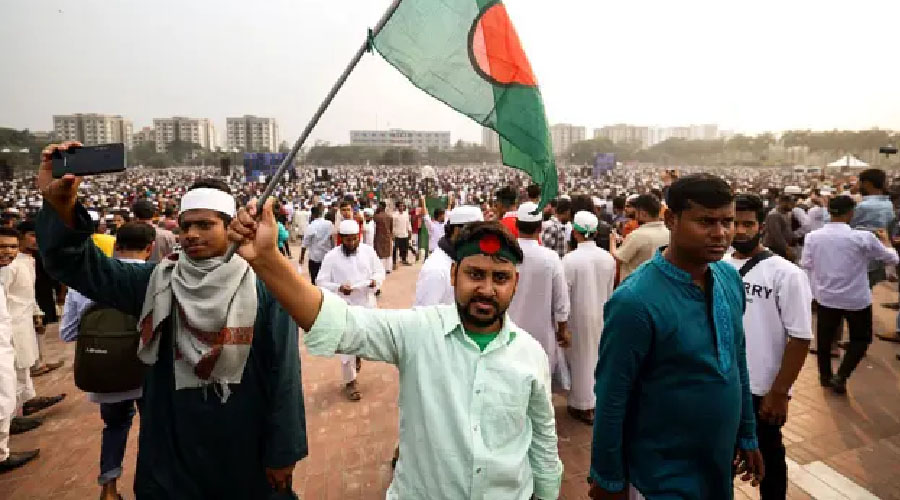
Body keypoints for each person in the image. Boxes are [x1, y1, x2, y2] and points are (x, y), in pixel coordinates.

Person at [227, 206, 564, 500]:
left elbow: (543, 442)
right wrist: (267, 259)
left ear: (515, 283)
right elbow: (336, 322)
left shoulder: (531, 354)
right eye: (475, 274)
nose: (486, 289)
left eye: (500, 278)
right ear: (454, 274)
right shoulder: (418, 332)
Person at [36, 142, 307, 499]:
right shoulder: (155, 282)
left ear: (231, 228)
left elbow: (284, 371)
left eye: (205, 225)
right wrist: (61, 205)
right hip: (172, 446)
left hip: (244, 440)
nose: (192, 234)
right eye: (186, 226)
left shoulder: (265, 286)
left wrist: (283, 451)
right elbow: (77, 266)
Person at [589, 174, 762, 500]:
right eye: (705, 222)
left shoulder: (728, 277)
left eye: (727, 221)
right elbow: (612, 395)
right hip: (659, 475)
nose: (721, 233)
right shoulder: (635, 301)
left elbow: (737, 359)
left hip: (717, 465)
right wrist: (607, 478)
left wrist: (748, 433)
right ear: (671, 219)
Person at [59, 222, 156, 500]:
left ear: (115, 246)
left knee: (115, 426)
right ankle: (152, 486)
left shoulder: (86, 280)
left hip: (107, 374)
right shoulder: (158, 277)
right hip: (148, 371)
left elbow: (67, 333)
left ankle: (109, 488)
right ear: (150, 248)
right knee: (155, 428)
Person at [725, 194, 812, 500]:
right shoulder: (718, 265)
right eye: (733, 223)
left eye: (747, 224)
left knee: (769, 459)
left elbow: (800, 337)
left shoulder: (786, 273)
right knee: (720, 457)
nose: (739, 231)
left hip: (760, 389)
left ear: (761, 226)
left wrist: (780, 392)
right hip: (722, 381)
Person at [801, 195, 898, 394]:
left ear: (830, 212)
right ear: (850, 213)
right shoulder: (862, 237)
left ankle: (825, 376)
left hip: (826, 297)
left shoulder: (813, 237)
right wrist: (886, 241)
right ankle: (842, 375)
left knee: (824, 339)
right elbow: (892, 258)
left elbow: (807, 265)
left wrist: (815, 291)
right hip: (856, 299)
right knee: (861, 339)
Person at [0, 225, 66, 430]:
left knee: (24, 367)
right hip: (11, 325)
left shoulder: (28, 261)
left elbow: (27, 294)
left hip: (24, 321)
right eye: (31, 236)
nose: (36, 240)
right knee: (13, 370)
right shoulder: (9, 266)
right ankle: (12, 416)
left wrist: (37, 312)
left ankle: (25, 403)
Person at [314, 220, 385, 401]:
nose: (352, 243)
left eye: (355, 239)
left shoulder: (368, 252)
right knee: (346, 346)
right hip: (343, 306)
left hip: (366, 305)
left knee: (366, 339)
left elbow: (379, 272)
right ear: (341, 238)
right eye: (348, 240)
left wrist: (374, 282)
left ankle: (358, 353)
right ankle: (350, 382)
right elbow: (320, 282)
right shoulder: (331, 257)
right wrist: (338, 287)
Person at [507, 202, 570, 385]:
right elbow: (561, 301)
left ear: (517, 225)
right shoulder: (550, 259)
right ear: (540, 227)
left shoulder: (506, 256)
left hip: (508, 335)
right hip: (541, 337)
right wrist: (563, 331)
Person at [561, 211, 615, 425]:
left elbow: (564, 296)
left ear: (575, 233)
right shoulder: (608, 258)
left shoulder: (569, 260)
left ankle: (583, 405)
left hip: (577, 316)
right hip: (602, 312)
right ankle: (593, 401)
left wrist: (561, 323)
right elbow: (610, 289)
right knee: (596, 358)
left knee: (581, 360)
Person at [0, 228, 39, 474]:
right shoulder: (7, 271)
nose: (8, 252)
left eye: (12, 246)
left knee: (8, 390)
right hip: (6, 338)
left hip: (8, 337)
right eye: (2, 246)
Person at [414, 205, 483, 307]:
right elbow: (424, 313)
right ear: (457, 230)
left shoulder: (461, 259)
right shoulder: (436, 270)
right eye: (477, 232)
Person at [851, 168, 894, 288]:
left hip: (861, 260)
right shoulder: (888, 204)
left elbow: (846, 226)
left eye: (859, 182)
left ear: (867, 184)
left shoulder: (863, 206)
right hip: (879, 258)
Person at [610, 194, 670, 281]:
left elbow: (617, 258)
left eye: (636, 211)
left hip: (635, 284)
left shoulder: (637, 235)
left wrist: (612, 240)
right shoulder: (668, 232)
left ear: (643, 213)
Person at [302, 205, 333, 284]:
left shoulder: (311, 226)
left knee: (314, 280)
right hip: (327, 256)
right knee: (327, 280)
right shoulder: (329, 224)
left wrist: (301, 257)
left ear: (312, 214)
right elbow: (332, 238)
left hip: (315, 258)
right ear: (321, 213)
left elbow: (305, 243)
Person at [762, 195, 795, 261]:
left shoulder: (785, 213)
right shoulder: (774, 215)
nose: (792, 206)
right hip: (775, 248)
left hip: (782, 248)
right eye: (790, 204)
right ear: (783, 203)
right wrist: (787, 249)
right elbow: (776, 235)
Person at [373, 201, 394, 273]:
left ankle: (381, 268)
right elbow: (391, 228)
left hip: (379, 236)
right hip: (387, 236)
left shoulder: (376, 217)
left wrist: (376, 211)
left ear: (381, 207)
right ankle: (388, 268)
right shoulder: (389, 216)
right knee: (388, 253)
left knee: (380, 253)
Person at [391, 201, 412, 268]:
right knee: (395, 249)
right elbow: (393, 225)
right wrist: (393, 234)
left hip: (404, 234)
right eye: (400, 206)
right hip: (397, 234)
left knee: (404, 248)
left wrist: (409, 231)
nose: (402, 207)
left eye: (403, 206)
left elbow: (408, 223)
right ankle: (394, 262)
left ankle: (404, 260)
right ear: (398, 207)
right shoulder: (394, 215)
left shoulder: (406, 214)